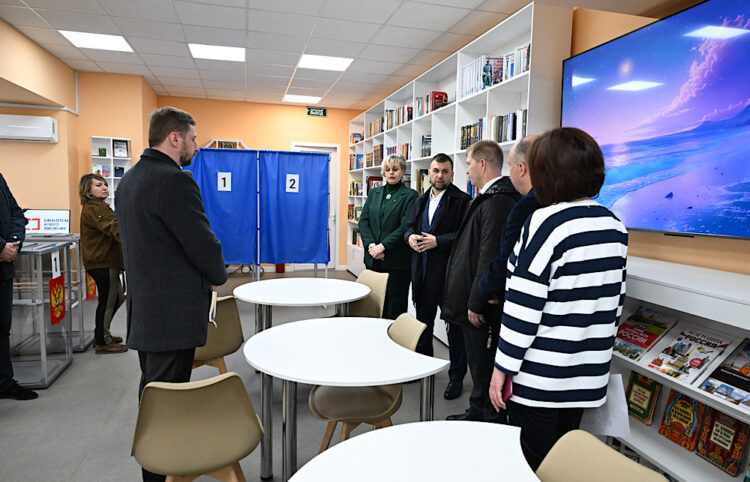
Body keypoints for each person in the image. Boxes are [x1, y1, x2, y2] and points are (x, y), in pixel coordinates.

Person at [488, 127, 628, 471]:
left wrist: (501, 368)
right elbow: (614, 306)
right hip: (586, 378)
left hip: (540, 380)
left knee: (530, 466)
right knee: (563, 466)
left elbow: (523, 309)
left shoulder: (545, 223)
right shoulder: (614, 226)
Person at [116, 106, 227, 482]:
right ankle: (161, 472)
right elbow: (200, 241)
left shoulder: (130, 180)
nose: (196, 146)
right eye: (193, 138)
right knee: (166, 402)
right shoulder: (174, 181)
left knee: (154, 395)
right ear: (174, 138)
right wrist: (216, 274)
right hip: (172, 316)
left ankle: (158, 469)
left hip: (147, 312)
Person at [442, 140, 519, 422]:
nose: (467, 171)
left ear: (482, 164)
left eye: (469, 165)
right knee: (477, 365)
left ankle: (486, 421)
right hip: (473, 299)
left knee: (484, 367)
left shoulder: (498, 201)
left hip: (479, 305)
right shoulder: (489, 198)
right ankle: (476, 412)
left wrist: (476, 301)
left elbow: (489, 256)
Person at [404, 153, 471, 400]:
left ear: (452, 174)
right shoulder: (420, 200)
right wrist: (410, 237)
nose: (439, 175)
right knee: (423, 326)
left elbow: (466, 237)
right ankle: (424, 368)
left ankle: (456, 377)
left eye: (444, 171)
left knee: (455, 331)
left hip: (449, 277)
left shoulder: (463, 201)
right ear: (428, 174)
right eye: (435, 171)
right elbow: (408, 227)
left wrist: (438, 242)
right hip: (422, 273)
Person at [478, 135, 539, 305]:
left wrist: (486, 287)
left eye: (510, 165)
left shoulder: (525, 208)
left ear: (521, 168)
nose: (508, 173)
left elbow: (506, 256)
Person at [358, 154, 418, 319]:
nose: (391, 173)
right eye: (388, 169)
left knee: (394, 306)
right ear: (383, 172)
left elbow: (405, 226)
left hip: (397, 262)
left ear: (403, 171)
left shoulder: (411, 195)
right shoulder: (374, 193)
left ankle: (392, 334)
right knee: (373, 303)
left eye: (395, 169)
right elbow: (363, 221)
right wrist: (371, 246)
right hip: (373, 258)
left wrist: (382, 246)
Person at [78, 174, 126, 354]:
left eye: (105, 184)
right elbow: (114, 228)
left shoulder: (98, 207)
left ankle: (102, 333)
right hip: (103, 262)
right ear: (87, 190)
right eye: (98, 185)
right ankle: (102, 341)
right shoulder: (95, 208)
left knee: (117, 298)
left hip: (104, 261)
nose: (104, 187)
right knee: (108, 301)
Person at [0, 173, 36, 401]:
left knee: (2, 327)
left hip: (4, 267)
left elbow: (16, 212)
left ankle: (4, 382)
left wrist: (12, 243)